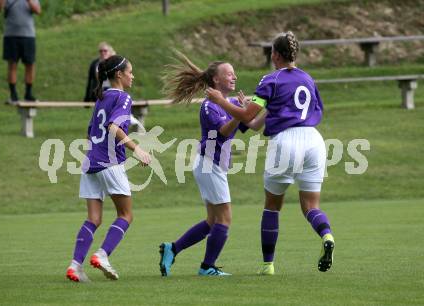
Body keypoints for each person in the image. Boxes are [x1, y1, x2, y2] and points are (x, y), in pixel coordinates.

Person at [205, 32, 335, 275]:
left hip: (286, 141)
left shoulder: (271, 80)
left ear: (275, 54)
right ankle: (327, 235)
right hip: (314, 140)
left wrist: (219, 100)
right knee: (310, 206)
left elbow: (246, 117)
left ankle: (268, 265)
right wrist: (255, 109)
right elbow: (255, 122)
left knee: (272, 206)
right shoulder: (307, 79)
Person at [158, 52, 264, 276]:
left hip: (214, 165)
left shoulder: (232, 103)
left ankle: (172, 248)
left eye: (234, 73)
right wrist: (240, 113)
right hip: (209, 164)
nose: (234, 77)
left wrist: (269, 108)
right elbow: (223, 133)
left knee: (212, 221)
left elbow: (253, 125)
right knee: (225, 218)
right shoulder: (209, 106)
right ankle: (207, 267)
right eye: (229, 74)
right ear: (216, 80)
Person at [66, 55, 151, 283]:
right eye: (130, 71)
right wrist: (137, 149)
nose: (133, 75)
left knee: (93, 218)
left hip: (90, 162)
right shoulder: (123, 97)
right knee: (126, 215)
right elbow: (114, 127)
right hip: (109, 162)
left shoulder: (101, 98)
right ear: (119, 75)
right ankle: (102, 255)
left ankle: (75, 266)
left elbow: (90, 131)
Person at [0, 0, 41, 103]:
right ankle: (13, 95)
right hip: (11, 35)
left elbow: (38, 11)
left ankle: (28, 94)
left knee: (30, 64)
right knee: (12, 65)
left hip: (28, 35)